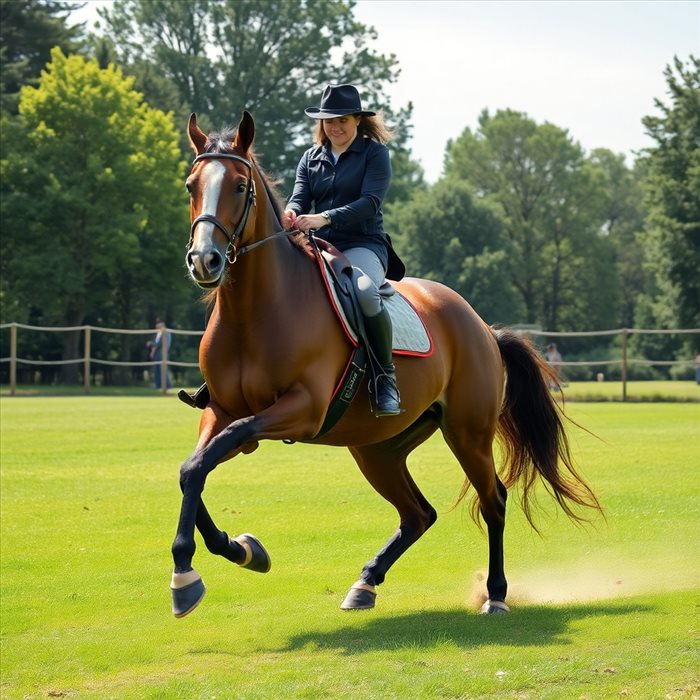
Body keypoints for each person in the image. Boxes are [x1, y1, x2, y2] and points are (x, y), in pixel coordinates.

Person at [281, 83, 405, 417]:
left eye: (343, 120)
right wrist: (292, 212)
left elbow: (370, 203)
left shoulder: (374, 153)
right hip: (318, 246)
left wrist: (324, 218)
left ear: (357, 121)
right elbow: (299, 196)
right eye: (329, 121)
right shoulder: (311, 157)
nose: (335, 127)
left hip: (364, 244)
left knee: (365, 293)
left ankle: (385, 380)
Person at [147, 320, 172, 390]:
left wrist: (153, 348)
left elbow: (162, 344)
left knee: (164, 370)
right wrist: (151, 344)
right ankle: (158, 385)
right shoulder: (157, 334)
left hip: (162, 354)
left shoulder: (166, 333)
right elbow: (155, 343)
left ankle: (168, 386)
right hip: (157, 355)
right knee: (157, 370)